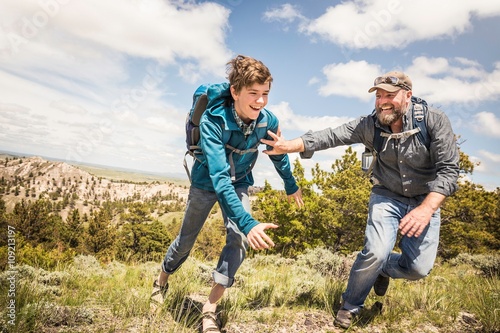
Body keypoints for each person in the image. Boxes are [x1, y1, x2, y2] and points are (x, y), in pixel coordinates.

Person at [261, 71, 459, 329]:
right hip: (386, 196)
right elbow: (332, 135)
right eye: (378, 96)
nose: (382, 102)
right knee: (375, 251)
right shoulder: (370, 125)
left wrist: (426, 209)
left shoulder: (434, 121)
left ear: (408, 96)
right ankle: (351, 305)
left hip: (425, 200)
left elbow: (449, 170)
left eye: (390, 95)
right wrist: (289, 146)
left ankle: (382, 269)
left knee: (418, 269)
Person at [150, 55, 303, 333]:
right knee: (186, 240)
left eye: (265, 94)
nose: (260, 101)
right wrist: (248, 221)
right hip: (206, 182)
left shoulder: (267, 119)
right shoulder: (213, 120)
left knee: (239, 238)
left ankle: (209, 310)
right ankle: (161, 281)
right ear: (235, 92)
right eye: (253, 94)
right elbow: (220, 179)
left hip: (241, 181)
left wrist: (290, 184)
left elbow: (277, 153)